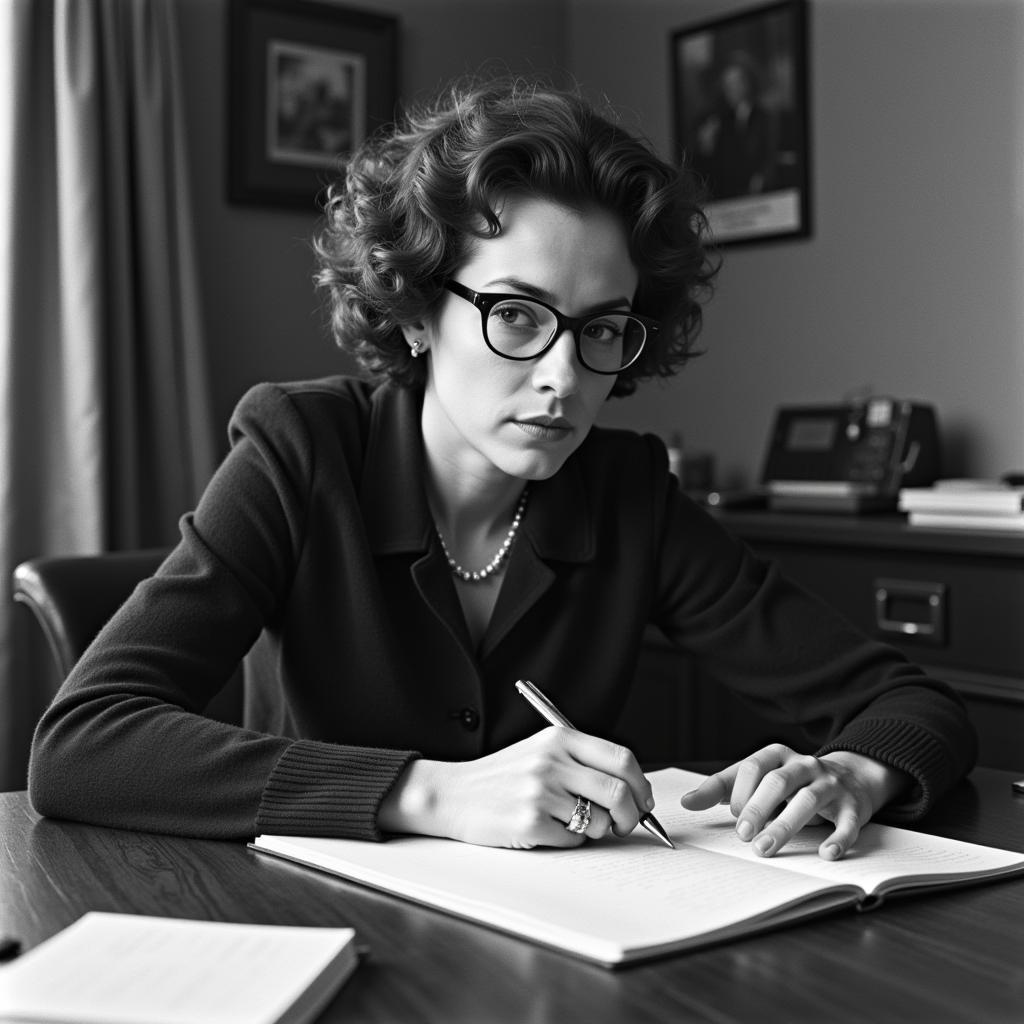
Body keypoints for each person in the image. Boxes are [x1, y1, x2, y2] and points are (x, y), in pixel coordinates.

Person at [28, 76, 975, 861]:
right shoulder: (299, 449)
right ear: (413, 310)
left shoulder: (628, 491)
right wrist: (430, 792)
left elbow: (910, 702)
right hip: (312, 934)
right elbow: (83, 745)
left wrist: (851, 770)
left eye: (602, 329)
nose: (563, 379)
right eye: (517, 315)